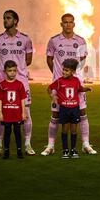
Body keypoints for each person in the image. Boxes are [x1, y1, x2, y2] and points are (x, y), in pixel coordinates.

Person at [41, 13, 96, 156]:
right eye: (65, 22)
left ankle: (85, 144)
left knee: (82, 113)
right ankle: (50, 145)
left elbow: (82, 60)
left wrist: (76, 76)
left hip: (76, 84)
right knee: (55, 114)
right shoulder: (53, 41)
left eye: (70, 22)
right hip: (60, 85)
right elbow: (49, 59)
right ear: (61, 24)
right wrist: (57, 75)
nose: (68, 25)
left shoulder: (81, 41)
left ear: (74, 24)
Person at [0, 10, 35, 156]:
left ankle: (27, 145)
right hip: (2, 82)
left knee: (26, 112)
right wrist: (5, 75)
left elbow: (28, 60)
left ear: (15, 21)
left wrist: (18, 72)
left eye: (8, 18)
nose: (5, 20)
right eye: (4, 18)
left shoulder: (26, 39)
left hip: (21, 80)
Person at [48, 59, 92, 158]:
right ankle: (65, 151)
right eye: (63, 69)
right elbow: (49, 88)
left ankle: (73, 150)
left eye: (66, 70)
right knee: (64, 130)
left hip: (75, 109)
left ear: (72, 71)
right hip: (64, 109)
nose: (64, 72)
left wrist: (88, 89)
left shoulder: (76, 80)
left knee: (74, 130)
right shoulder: (59, 81)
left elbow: (80, 89)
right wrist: (53, 96)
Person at [0, 60, 27, 159]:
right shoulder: (2, 85)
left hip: (17, 114)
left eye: (14, 70)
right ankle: (6, 151)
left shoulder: (20, 84)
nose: (12, 73)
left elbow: (22, 99)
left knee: (18, 132)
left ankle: (19, 150)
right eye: (10, 71)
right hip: (7, 114)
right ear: (5, 71)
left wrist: (23, 112)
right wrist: (0, 113)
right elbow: (0, 100)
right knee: (7, 132)